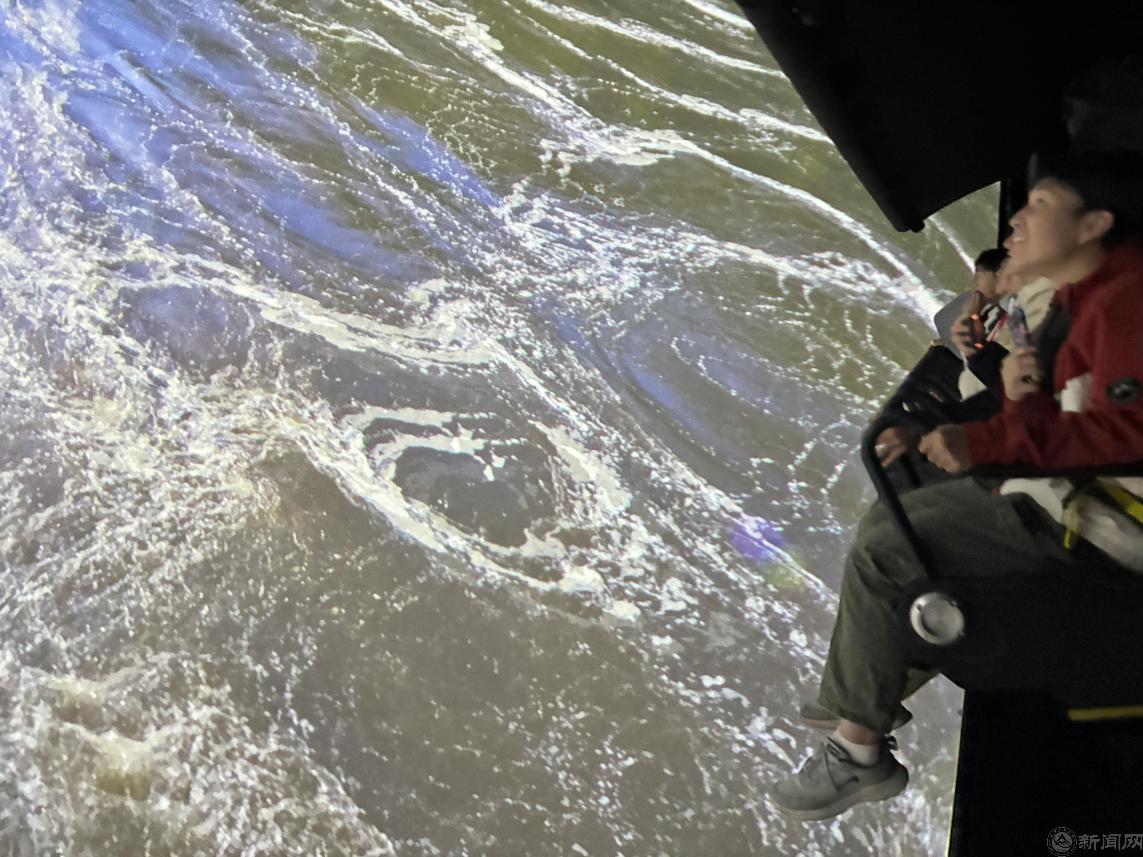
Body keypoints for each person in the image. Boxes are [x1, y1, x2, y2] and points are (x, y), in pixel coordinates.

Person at [770, 148, 1143, 821]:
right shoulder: (1087, 296)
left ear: (1093, 225)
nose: (1017, 219)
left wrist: (987, 442)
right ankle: (860, 701)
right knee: (896, 517)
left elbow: (1126, 434)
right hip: (1074, 489)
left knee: (888, 546)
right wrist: (1011, 409)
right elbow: (1052, 412)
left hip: (1108, 518)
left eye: (1040, 205)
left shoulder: (1127, 305)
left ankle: (858, 751)